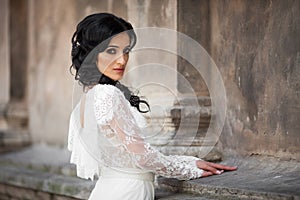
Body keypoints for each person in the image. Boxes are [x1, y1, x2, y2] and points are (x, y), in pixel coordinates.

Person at [68, 13, 237, 200]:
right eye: (111, 51)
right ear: (91, 53)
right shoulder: (107, 94)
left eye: (126, 51)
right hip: (128, 192)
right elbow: (143, 158)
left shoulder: (83, 103)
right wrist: (189, 170)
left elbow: (130, 156)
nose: (122, 60)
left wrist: (189, 161)